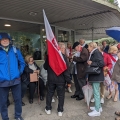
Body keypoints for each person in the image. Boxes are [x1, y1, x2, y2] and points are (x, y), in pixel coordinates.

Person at [0, 32, 25, 120]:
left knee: (18, 100)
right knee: (3, 102)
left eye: (7, 39)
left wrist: (19, 72)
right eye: (3, 39)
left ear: (9, 40)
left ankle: (18, 116)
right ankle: (5, 118)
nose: (5, 40)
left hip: (16, 80)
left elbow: (22, 62)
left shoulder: (15, 50)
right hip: (2, 81)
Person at [44, 43, 71, 117]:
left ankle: (48, 109)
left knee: (50, 94)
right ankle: (60, 110)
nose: (64, 50)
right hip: (61, 80)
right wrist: (68, 81)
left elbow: (45, 67)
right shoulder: (64, 58)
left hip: (51, 79)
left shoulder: (50, 57)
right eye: (64, 49)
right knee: (61, 95)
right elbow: (66, 71)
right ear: (61, 49)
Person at [87, 42, 104, 117]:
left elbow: (101, 63)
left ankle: (97, 110)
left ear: (91, 47)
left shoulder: (96, 52)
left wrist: (91, 63)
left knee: (96, 93)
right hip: (96, 76)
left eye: (88, 47)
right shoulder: (95, 52)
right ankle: (99, 107)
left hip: (96, 76)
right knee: (96, 92)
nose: (88, 48)